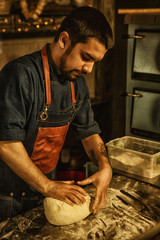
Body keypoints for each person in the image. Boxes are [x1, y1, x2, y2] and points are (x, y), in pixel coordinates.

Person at [0, 6, 113, 221]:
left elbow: (89, 133)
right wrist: (48, 186)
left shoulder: (77, 85)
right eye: (86, 57)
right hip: (7, 198)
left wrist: (104, 165)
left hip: (44, 195)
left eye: (94, 62)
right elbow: (6, 143)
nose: (89, 69)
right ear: (64, 40)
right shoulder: (20, 75)